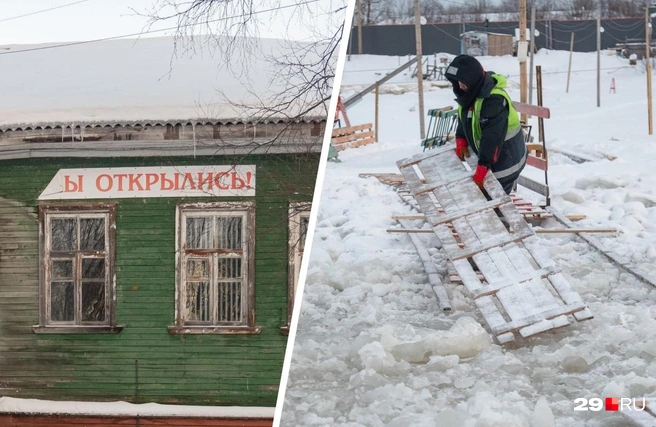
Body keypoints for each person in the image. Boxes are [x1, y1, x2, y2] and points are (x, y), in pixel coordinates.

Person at [444, 54, 527, 195]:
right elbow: (465, 118)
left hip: (507, 161)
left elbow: (492, 138)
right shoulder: (471, 93)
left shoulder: (493, 100)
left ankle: (498, 213)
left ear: (472, 79)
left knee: (490, 203)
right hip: (492, 157)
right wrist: (461, 139)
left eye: (463, 82)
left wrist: (483, 167)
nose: (460, 86)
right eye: (457, 82)